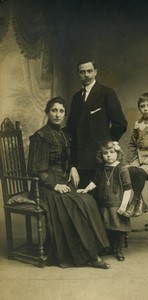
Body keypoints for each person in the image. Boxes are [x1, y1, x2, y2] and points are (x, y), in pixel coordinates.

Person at [27, 97, 110, 269]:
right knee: (72, 203)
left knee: (87, 200)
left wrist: (72, 167)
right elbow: (35, 169)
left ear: (65, 114)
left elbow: (67, 158)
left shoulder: (63, 135)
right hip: (44, 187)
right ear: (47, 112)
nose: (58, 115)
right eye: (54, 110)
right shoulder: (40, 136)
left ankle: (92, 250)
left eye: (61, 111)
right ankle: (88, 255)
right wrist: (54, 185)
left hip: (63, 180)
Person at [66, 58, 128, 188]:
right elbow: (71, 128)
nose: (86, 75)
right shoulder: (76, 98)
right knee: (83, 197)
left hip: (100, 157)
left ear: (96, 72)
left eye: (89, 71)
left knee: (101, 197)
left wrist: (106, 145)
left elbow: (120, 124)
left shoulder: (107, 93)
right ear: (78, 74)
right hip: (80, 158)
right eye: (82, 72)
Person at [77, 140, 132, 262]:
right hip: (103, 204)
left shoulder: (122, 168)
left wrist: (123, 206)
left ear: (117, 152)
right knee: (106, 226)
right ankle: (108, 248)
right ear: (101, 155)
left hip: (117, 205)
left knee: (118, 228)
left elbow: (128, 189)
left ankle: (118, 250)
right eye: (105, 153)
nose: (108, 155)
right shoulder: (101, 168)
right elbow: (95, 182)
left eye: (112, 152)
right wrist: (85, 190)